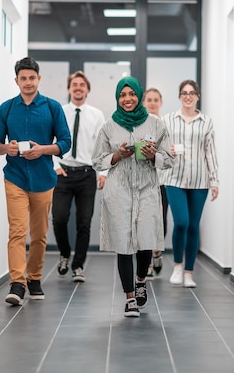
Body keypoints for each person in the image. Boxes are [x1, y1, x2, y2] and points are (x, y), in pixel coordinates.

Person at [0, 57, 71, 305]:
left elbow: (66, 143)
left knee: (39, 234)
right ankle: (17, 283)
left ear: (39, 79)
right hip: (15, 178)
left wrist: (43, 150)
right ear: (16, 81)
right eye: (23, 78)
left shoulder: (52, 107)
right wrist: (8, 148)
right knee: (17, 231)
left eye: (32, 78)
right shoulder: (6, 108)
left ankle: (34, 277)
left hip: (44, 179)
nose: (28, 82)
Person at [92, 76, 173, 317]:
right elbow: (96, 160)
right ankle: (129, 298)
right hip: (119, 191)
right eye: (122, 95)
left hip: (147, 189)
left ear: (138, 96)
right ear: (118, 98)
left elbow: (168, 159)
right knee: (123, 243)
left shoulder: (156, 124)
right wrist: (117, 156)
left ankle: (140, 280)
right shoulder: (108, 126)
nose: (127, 99)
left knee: (146, 240)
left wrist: (152, 156)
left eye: (131, 94)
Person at [161, 79, 219, 288]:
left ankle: (188, 272)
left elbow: (210, 153)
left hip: (199, 180)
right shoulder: (168, 120)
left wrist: (215, 181)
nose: (188, 96)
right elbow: (159, 147)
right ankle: (177, 265)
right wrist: (169, 150)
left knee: (194, 226)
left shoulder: (206, 122)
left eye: (192, 93)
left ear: (197, 96)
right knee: (181, 222)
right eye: (184, 93)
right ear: (179, 96)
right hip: (173, 178)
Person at [52, 71, 106, 282]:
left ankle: (78, 265)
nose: (78, 87)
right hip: (63, 172)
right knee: (59, 218)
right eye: (74, 84)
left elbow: (102, 146)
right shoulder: (59, 112)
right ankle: (65, 253)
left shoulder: (96, 115)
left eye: (82, 85)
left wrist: (103, 173)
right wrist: (55, 165)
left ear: (87, 89)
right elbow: (50, 139)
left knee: (84, 222)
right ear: (69, 89)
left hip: (86, 174)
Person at [142, 88, 169, 279]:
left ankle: (157, 251)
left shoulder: (166, 124)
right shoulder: (140, 124)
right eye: (149, 100)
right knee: (145, 222)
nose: (152, 103)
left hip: (162, 180)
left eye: (155, 100)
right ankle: (148, 262)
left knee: (161, 221)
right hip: (143, 181)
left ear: (161, 102)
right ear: (144, 103)